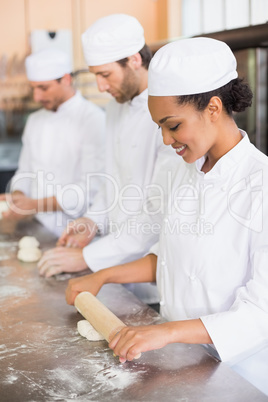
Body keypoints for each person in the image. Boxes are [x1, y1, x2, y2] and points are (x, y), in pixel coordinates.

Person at [65, 37, 268, 395]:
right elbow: (172, 259)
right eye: (159, 126)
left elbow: (260, 314)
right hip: (181, 364)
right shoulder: (178, 172)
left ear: (214, 108)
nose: (165, 140)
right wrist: (103, 277)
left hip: (239, 376)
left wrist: (166, 331)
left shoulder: (260, 184)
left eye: (173, 125)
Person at [38, 14, 178, 305]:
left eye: (105, 75)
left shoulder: (171, 114)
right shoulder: (116, 106)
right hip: (113, 265)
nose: (100, 87)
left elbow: (157, 209)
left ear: (134, 60)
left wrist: (88, 257)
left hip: (154, 275)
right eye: (95, 76)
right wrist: (92, 220)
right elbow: (112, 179)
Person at [0, 48, 105, 237]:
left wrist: (35, 205)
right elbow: (25, 171)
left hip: (77, 230)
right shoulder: (35, 120)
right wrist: (18, 197)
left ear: (66, 79)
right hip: (38, 225)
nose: (36, 97)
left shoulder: (92, 119)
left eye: (44, 88)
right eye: (34, 88)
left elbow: (92, 187)